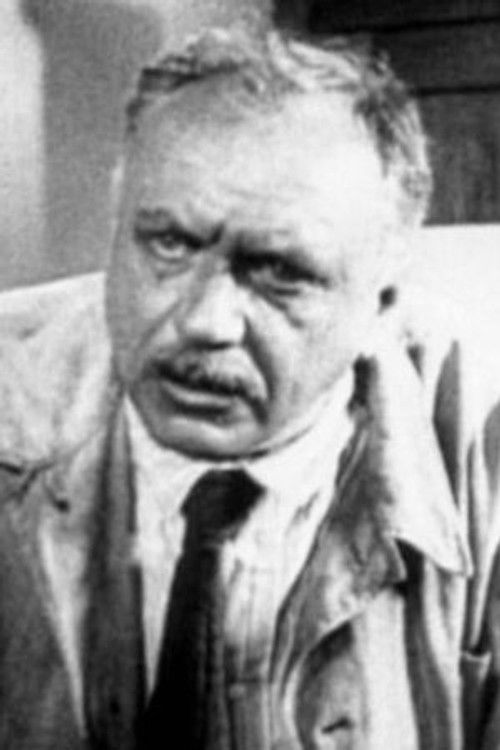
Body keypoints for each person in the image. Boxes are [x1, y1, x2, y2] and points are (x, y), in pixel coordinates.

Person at [0, 25, 500, 750]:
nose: (204, 321)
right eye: (169, 244)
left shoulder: (486, 446)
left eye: (281, 273)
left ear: (382, 305)